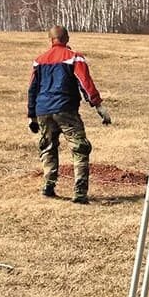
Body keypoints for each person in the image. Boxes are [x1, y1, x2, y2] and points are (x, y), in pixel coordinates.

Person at [27, 25, 112, 204]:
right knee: (79, 148)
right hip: (66, 110)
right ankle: (80, 192)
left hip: (43, 110)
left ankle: (48, 186)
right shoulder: (74, 57)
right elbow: (85, 82)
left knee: (48, 148)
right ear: (67, 38)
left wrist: (32, 115)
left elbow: (32, 89)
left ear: (50, 40)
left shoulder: (39, 60)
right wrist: (98, 106)